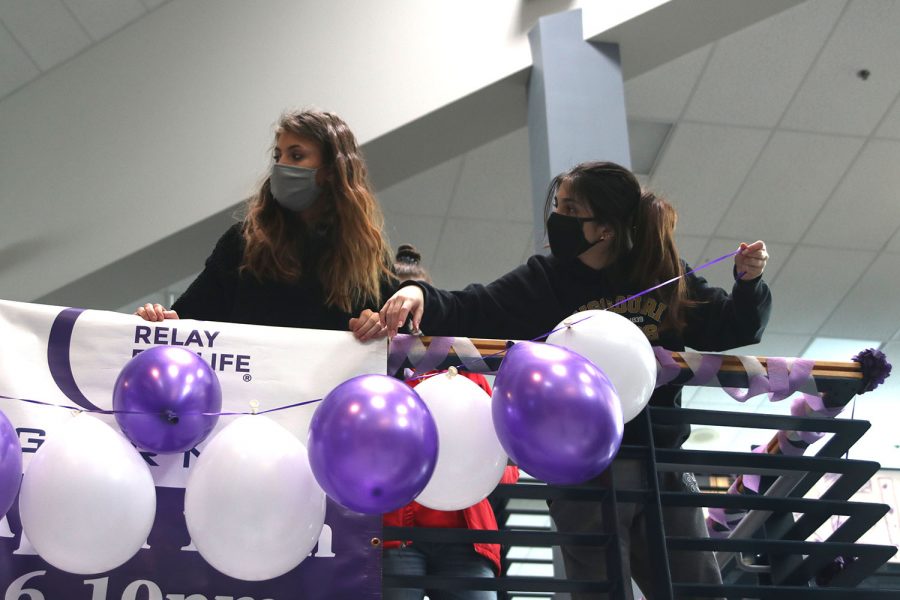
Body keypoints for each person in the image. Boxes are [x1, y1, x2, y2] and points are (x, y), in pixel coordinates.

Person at [362, 161, 771, 600]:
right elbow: (473, 305)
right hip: (582, 473)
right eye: (557, 205)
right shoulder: (545, 280)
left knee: (695, 588)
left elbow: (732, 328)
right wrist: (418, 293)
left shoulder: (660, 272)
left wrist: (750, 283)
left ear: (605, 229)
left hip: (659, 462)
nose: (557, 217)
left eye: (570, 208)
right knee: (598, 591)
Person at [135, 108, 393, 336]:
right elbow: (186, 321)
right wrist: (156, 320)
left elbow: (408, 332)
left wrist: (378, 324)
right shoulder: (243, 242)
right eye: (277, 156)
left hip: (331, 392)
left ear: (330, 171)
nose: (281, 166)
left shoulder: (364, 253)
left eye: (296, 156)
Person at [378, 244, 519, 600]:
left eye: (413, 310)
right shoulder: (372, 375)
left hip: (468, 537)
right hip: (393, 532)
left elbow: (506, 468)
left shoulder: (469, 374)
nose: (406, 320)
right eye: (396, 310)